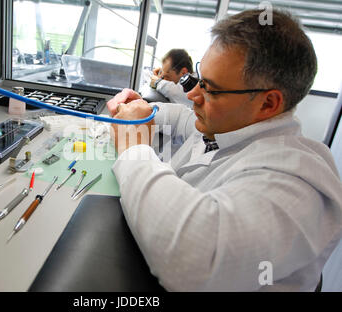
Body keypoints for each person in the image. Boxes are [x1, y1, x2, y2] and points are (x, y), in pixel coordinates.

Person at [106, 9, 342, 291]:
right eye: (198, 78)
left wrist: (133, 147)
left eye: (209, 88)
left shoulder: (299, 183)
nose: (192, 95)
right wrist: (142, 109)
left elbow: (193, 256)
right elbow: (180, 117)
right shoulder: (226, 124)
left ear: (268, 104)